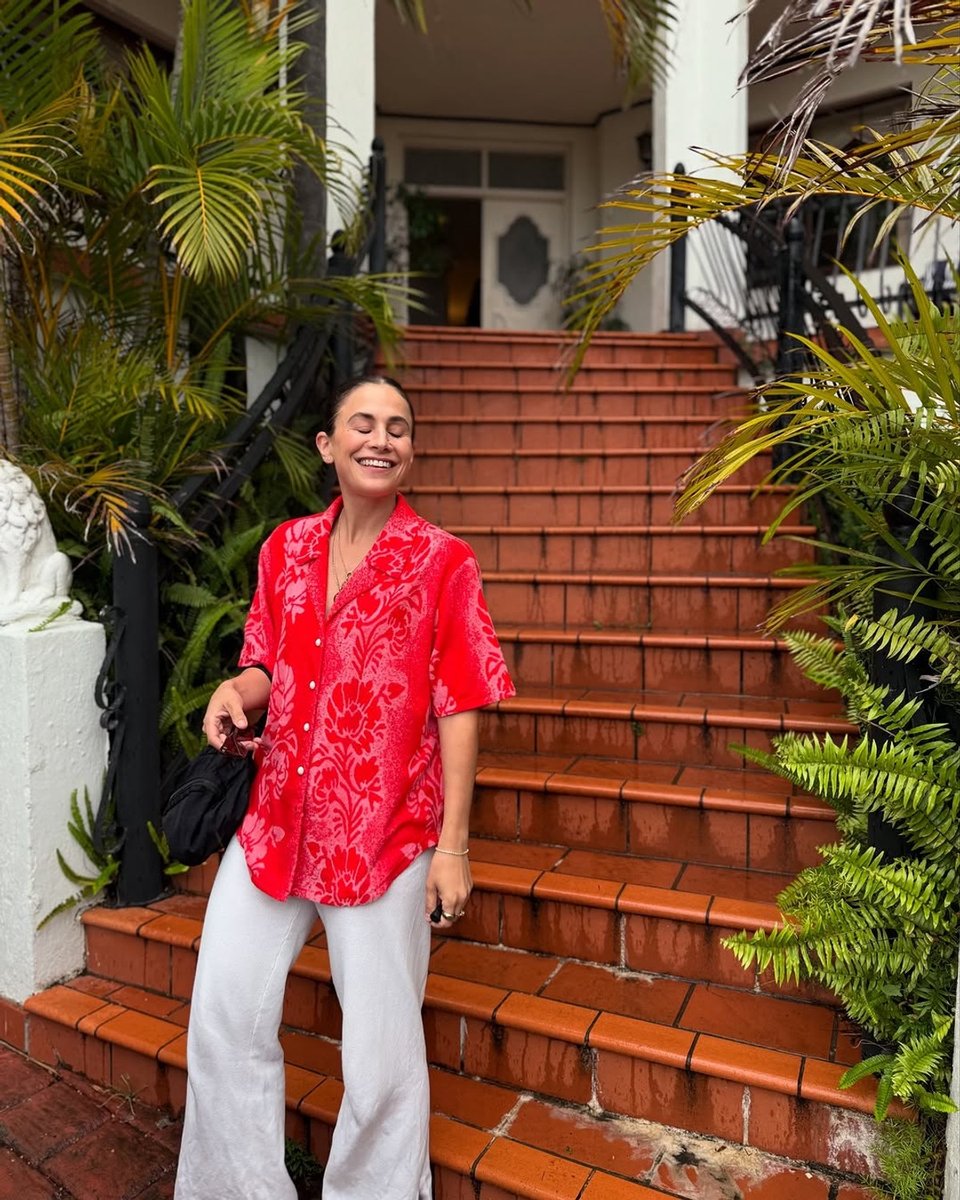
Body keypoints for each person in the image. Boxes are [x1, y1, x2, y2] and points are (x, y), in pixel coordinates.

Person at [174, 375, 515, 1200]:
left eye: (398, 427)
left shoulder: (443, 562)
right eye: (363, 423)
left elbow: (463, 703)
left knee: (379, 1059)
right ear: (328, 445)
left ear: (410, 453)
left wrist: (453, 851)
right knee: (225, 1014)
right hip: (277, 824)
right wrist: (237, 690)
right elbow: (267, 658)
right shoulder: (283, 548)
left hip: (386, 835)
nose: (382, 438)